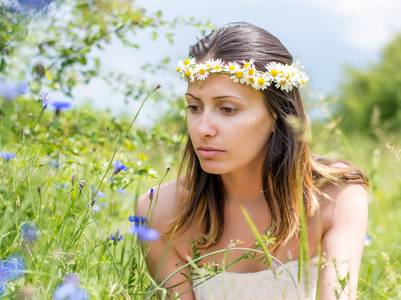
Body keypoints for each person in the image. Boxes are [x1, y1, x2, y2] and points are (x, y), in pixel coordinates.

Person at [136, 22, 368, 300]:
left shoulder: (336, 197)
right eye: (195, 107)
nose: (203, 128)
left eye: (228, 109)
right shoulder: (159, 211)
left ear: (276, 114)